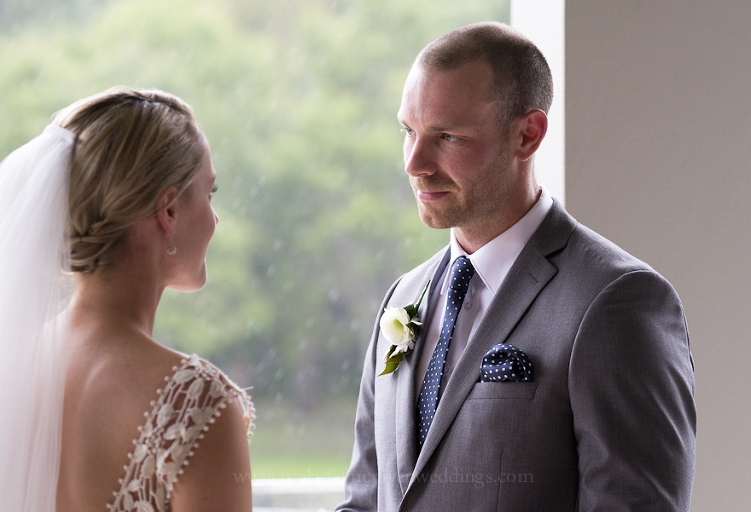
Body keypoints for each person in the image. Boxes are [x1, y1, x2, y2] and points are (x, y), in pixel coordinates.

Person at [337, 22, 696, 512]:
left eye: (447, 136)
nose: (414, 163)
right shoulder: (402, 298)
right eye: (409, 132)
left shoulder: (619, 302)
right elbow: (363, 501)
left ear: (527, 135)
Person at [0, 87, 254, 512]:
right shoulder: (196, 406)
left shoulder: (11, 369)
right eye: (210, 194)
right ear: (168, 212)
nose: (214, 218)